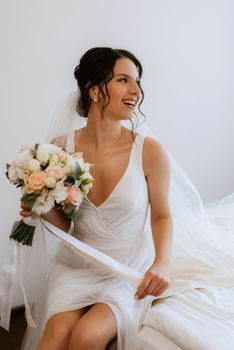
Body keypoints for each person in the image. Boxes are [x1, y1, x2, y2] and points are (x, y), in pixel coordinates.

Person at [20, 47, 173, 350]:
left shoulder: (150, 151)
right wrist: (40, 206)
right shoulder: (58, 150)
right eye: (123, 80)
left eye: (137, 81)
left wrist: (163, 262)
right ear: (93, 91)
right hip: (77, 266)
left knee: (86, 336)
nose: (136, 91)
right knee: (53, 340)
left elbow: (162, 215)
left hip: (127, 268)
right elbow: (65, 228)